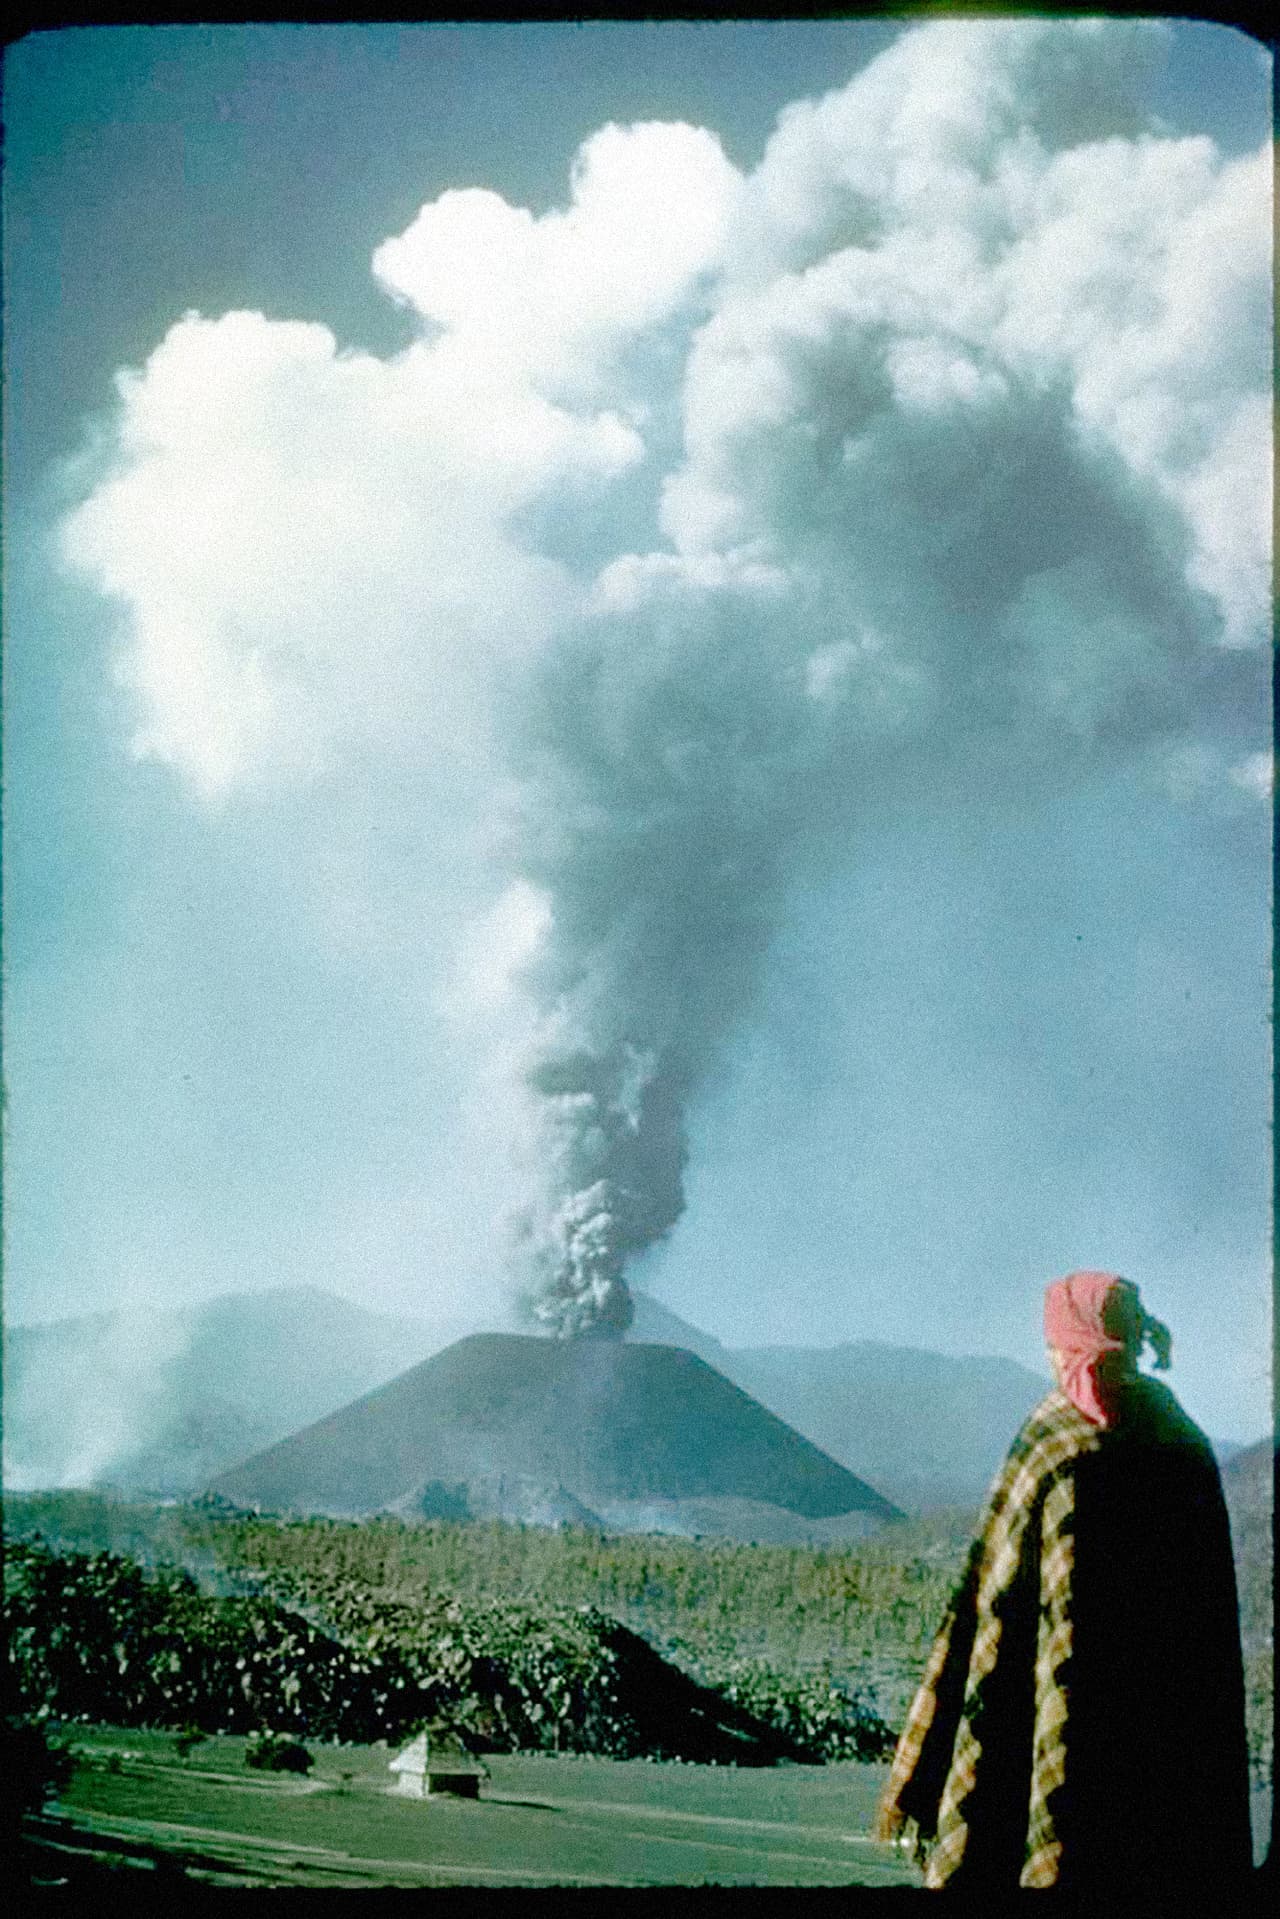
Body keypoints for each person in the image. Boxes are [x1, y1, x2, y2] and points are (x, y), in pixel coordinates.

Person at [875, 1270, 1253, 1895]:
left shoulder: (1054, 1434)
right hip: (1166, 1725)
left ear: (1074, 1342)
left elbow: (993, 1604)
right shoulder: (1182, 1438)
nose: (1049, 1355)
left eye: (1053, 1343)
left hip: (1063, 1702)